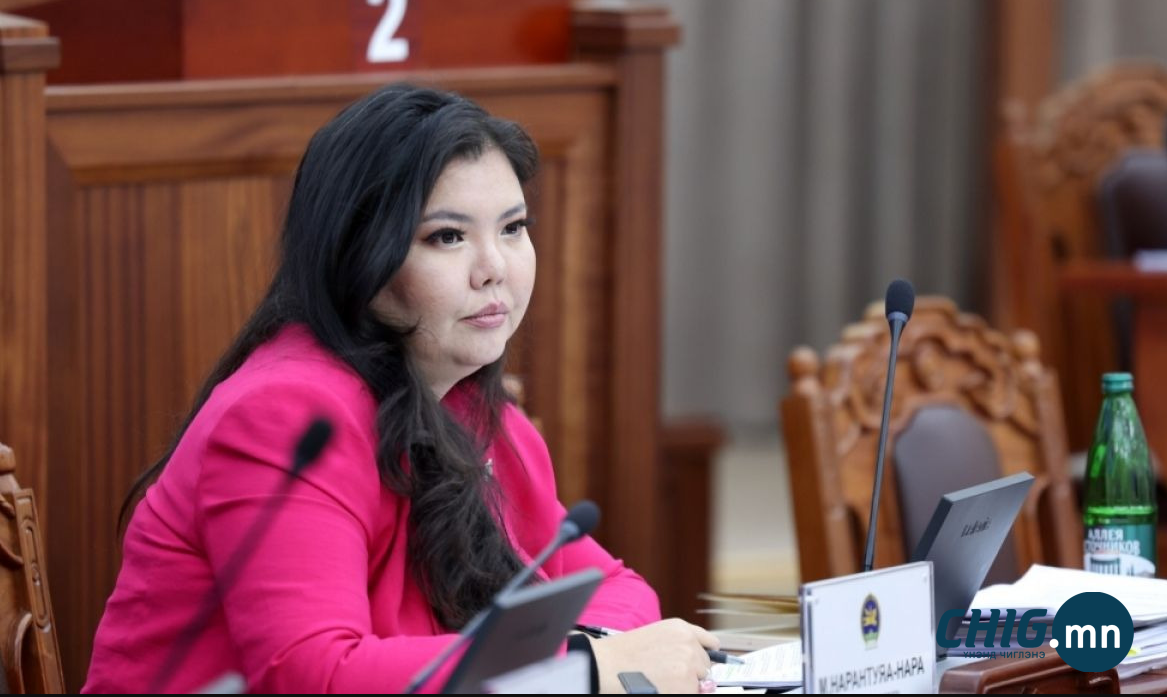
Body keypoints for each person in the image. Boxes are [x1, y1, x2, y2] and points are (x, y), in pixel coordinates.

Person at [83, 83, 718, 694]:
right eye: (447, 237)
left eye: (513, 227)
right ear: (359, 255)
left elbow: (618, 589)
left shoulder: (476, 410)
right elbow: (314, 675)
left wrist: (587, 656)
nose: (494, 268)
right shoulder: (287, 417)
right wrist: (579, 666)